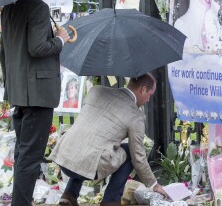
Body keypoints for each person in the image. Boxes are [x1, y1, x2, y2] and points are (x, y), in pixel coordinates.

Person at [0, 0, 70, 206]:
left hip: (19, 92)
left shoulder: (10, 8)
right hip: (38, 94)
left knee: (23, 154)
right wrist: (59, 39)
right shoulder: (38, 8)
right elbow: (38, 47)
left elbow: (5, 51)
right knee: (29, 158)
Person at [50, 73, 168, 206]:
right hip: (89, 167)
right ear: (143, 89)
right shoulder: (136, 115)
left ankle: (69, 195)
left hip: (64, 158)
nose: (148, 100)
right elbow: (138, 156)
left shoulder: (96, 91)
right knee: (130, 151)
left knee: (88, 143)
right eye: (150, 95)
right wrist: (154, 184)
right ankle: (110, 200)